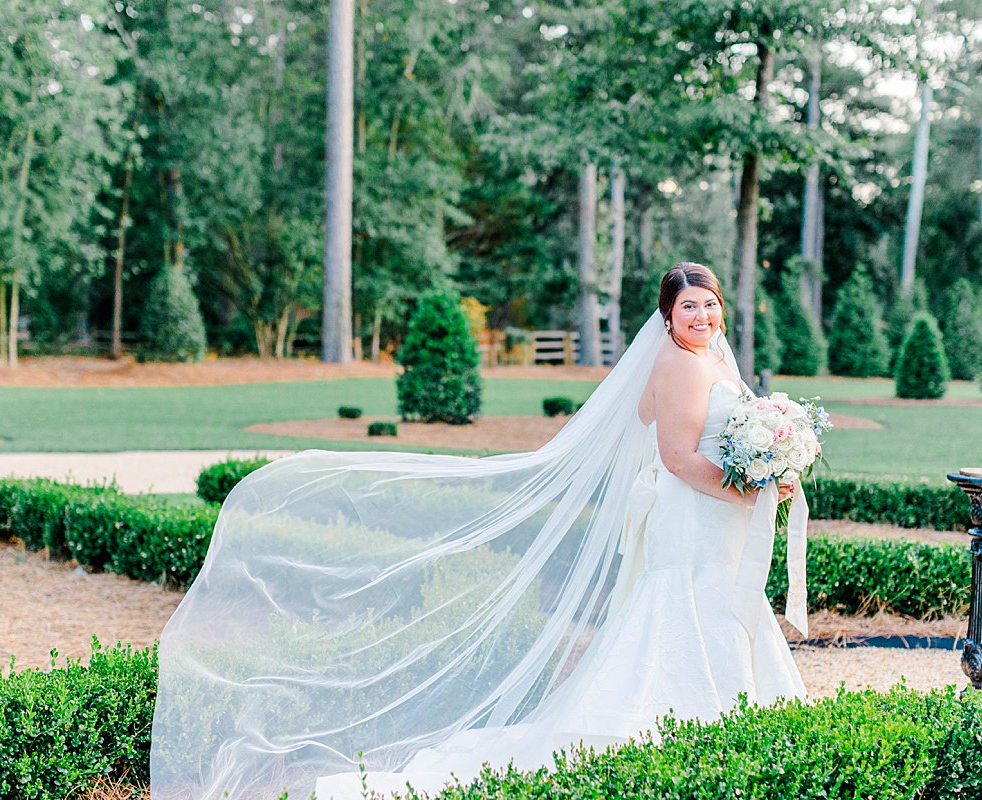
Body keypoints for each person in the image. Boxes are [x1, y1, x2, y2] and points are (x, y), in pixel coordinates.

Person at [150, 263, 809, 800]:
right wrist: (747, 481)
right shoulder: (687, 363)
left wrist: (766, 451)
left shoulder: (706, 362)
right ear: (667, 317)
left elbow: (644, 411)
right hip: (693, 518)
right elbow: (672, 457)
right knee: (684, 610)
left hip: (710, 517)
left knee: (717, 605)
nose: (701, 317)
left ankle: (729, 718)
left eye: (709, 305)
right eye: (688, 308)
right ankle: (697, 721)